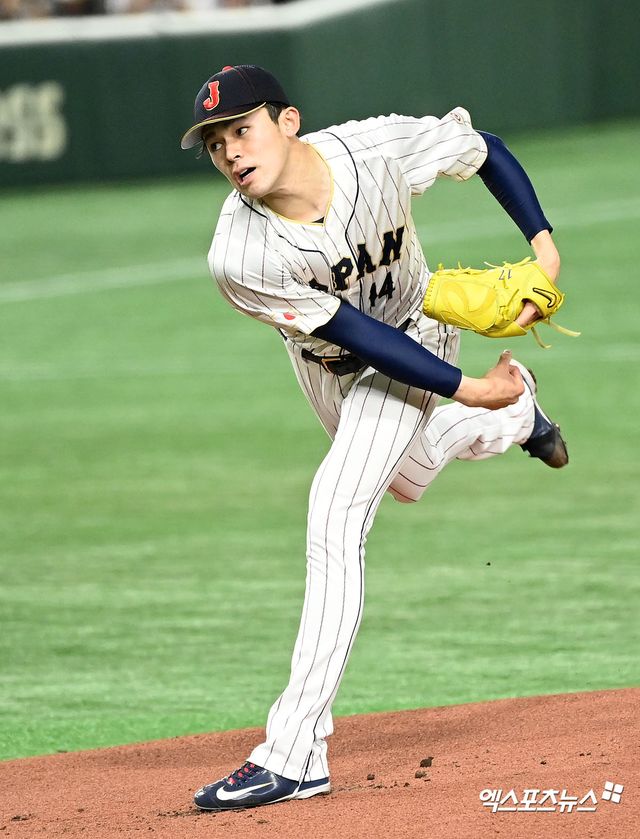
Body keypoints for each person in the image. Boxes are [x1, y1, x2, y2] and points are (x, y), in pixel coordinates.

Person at [180, 64, 568, 812]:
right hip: (331, 363)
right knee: (408, 478)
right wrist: (475, 392)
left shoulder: (376, 151)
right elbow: (353, 334)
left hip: (419, 331)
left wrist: (543, 250)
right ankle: (516, 415)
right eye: (216, 144)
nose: (230, 152)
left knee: (336, 509)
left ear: (288, 122)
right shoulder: (239, 252)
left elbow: (483, 148)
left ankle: (293, 753)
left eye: (242, 130)